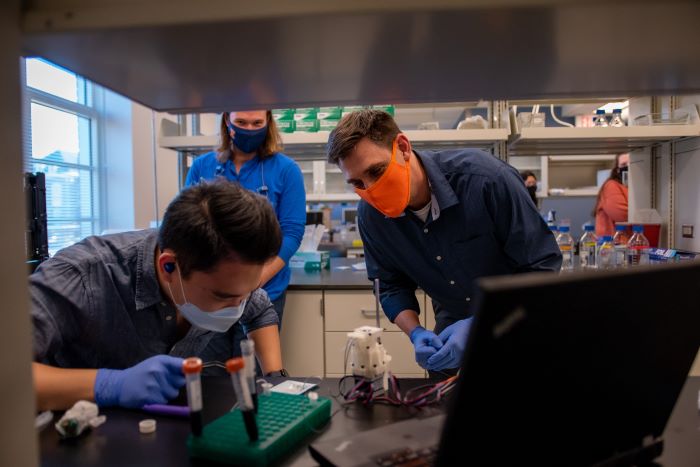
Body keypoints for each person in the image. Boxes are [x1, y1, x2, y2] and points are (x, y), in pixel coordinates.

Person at [327, 110, 562, 373]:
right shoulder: (372, 217)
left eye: (377, 171)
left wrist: (480, 323)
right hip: (450, 339)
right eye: (357, 182)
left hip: (518, 323)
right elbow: (391, 286)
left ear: (403, 148)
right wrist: (415, 332)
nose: (371, 189)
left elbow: (542, 268)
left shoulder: (486, 179)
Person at [31, 182, 286, 411]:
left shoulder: (227, 278)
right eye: (224, 297)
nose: (238, 306)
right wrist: (110, 385)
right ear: (169, 266)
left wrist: (275, 379)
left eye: (246, 293)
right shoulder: (82, 276)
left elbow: (260, 310)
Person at [185, 110, 305, 333]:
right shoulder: (202, 167)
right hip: (211, 293)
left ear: (268, 123)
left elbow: (292, 233)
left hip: (264, 290)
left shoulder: (286, 170)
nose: (249, 129)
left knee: (254, 366)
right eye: (241, 122)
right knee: (211, 366)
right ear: (227, 122)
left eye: (257, 123)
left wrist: (256, 279)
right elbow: (187, 225)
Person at [593, 153, 629, 237]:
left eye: (631, 163)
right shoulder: (612, 186)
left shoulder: (633, 187)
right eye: (624, 164)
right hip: (611, 245)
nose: (628, 166)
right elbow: (622, 215)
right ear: (617, 169)